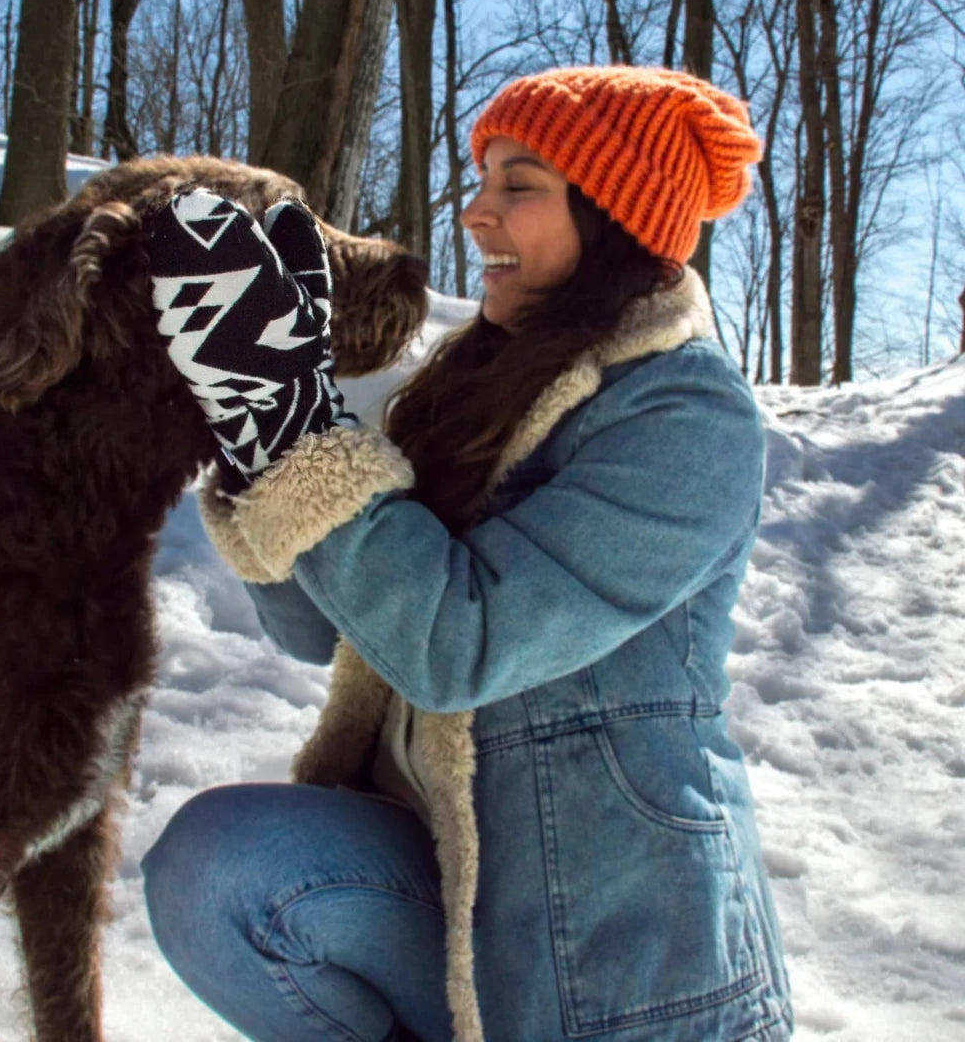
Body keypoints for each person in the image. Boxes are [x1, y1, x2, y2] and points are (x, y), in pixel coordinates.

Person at [140, 65, 794, 1042]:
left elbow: (461, 649)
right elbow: (317, 626)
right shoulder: (473, 389)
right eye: (481, 182)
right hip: (453, 884)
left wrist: (298, 438)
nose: (476, 215)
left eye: (518, 186)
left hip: (619, 944)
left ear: (617, 215)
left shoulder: (684, 415)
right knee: (224, 865)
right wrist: (261, 430)